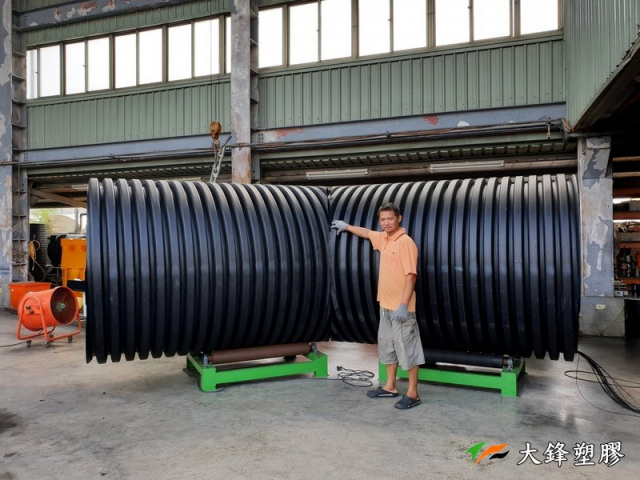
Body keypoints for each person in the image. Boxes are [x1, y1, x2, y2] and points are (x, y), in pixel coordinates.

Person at [331, 202, 425, 410]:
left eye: (390, 218)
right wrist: (346, 227)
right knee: (388, 347)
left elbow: (411, 275)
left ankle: (413, 393)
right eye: (383, 219)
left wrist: (403, 305)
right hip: (385, 307)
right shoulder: (384, 238)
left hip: (402, 310)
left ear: (399, 218)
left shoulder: (405, 242)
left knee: (407, 349)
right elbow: (366, 233)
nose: (386, 223)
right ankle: (390, 387)